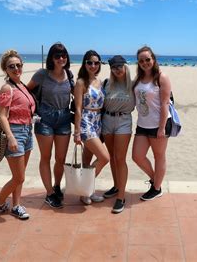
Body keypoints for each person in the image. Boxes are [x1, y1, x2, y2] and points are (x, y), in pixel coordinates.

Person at [27, 43, 73, 209]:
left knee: (60, 158)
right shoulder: (42, 74)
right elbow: (27, 90)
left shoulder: (69, 74)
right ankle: (49, 193)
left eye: (63, 55)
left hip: (64, 118)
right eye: (57, 56)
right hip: (45, 118)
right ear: (51, 58)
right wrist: (33, 110)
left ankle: (56, 186)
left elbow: (78, 93)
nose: (61, 58)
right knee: (46, 157)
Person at [0, 50, 36, 220]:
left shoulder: (22, 85)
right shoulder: (7, 88)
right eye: (12, 66)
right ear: (6, 69)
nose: (16, 68)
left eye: (19, 65)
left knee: (20, 176)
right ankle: (0, 201)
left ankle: (16, 205)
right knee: (19, 176)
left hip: (27, 131)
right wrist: (10, 136)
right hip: (15, 132)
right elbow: (2, 115)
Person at [132, 46, 172, 201]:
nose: (145, 63)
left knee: (159, 156)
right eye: (141, 60)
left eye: (147, 59)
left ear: (153, 59)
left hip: (159, 124)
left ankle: (156, 188)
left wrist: (162, 128)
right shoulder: (138, 79)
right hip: (142, 124)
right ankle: (156, 180)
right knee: (137, 156)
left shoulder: (161, 77)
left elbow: (165, 104)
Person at [73, 50, 110, 205]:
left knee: (87, 161)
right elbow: (78, 108)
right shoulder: (81, 82)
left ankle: (87, 192)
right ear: (85, 63)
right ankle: (84, 187)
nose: (93, 65)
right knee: (104, 158)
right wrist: (77, 132)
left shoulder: (100, 81)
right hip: (86, 123)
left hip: (97, 122)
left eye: (96, 62)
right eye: (90, 62)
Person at [101, 55, 135, 214]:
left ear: (125, 67)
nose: (117, 70)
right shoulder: (106, 83)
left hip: (124, 121)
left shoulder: (133, 85)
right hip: (107, 120)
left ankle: (121, 196)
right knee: (112, 156)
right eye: (114, 67)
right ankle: (116, 186)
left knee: (120, 158)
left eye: (120, 66)